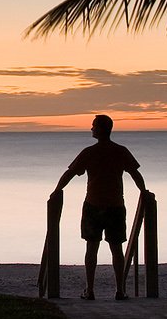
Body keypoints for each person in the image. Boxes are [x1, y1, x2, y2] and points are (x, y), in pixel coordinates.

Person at [52, 113, 146, 300]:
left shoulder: (89, 152)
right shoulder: (120, 151)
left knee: (92, 248)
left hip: (94, 206)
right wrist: (144, 190)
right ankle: (119, 290)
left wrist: (57, 190)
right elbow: (135, 174)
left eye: (94, 125)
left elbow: (70, 173)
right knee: (116, 249)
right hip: (115, 205)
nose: (91, 128)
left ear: (101, 129)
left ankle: (91, 290)